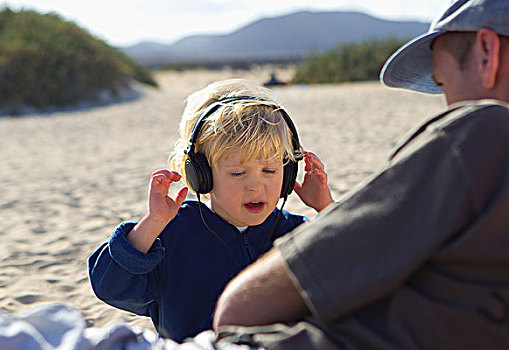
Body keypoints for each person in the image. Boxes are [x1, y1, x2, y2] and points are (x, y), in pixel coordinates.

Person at [211, 1, 509, 349]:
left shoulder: (487, 133)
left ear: (487, 53)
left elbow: (237, 308)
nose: (448, 106)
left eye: (443, 84)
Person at [88, 79, 335, 342]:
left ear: (287, 174)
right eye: (238, 173)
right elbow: (110, 286)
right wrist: (152, 224)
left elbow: (351, 276)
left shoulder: (295, 233)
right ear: (200, 176)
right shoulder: (173, 235)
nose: (256, 186)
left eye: (270, 171)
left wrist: (326, 208)